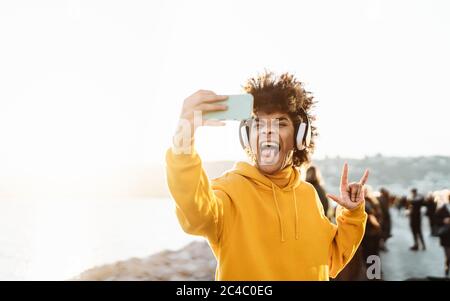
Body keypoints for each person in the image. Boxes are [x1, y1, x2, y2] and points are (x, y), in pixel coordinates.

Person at [166, 71, 369, 280]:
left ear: (299, 138)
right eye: (259, 124)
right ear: (247, 136)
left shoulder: (308, 195)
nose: (267, 131)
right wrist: (183, 140)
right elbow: (195, 216)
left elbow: (331, 260)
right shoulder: (228, 190)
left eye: (281, 123)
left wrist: (352, 215)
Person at [435, 193, 450, 277]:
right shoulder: (442, 209)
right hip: (446, 236)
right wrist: (444, 220)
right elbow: (436, 220)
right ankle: (447, 268)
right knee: (448, 255)